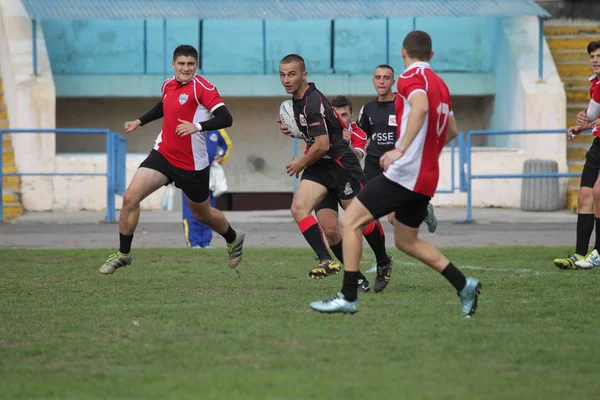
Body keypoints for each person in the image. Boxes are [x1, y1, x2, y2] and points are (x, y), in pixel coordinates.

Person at [309, 31, 481, 318]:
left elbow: (421, 108)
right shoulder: (441, 84)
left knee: (350, 222)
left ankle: (348, 296)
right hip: (427, 176)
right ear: (432, 55)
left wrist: (401, 150)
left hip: (405, 174)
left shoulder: (410, 78)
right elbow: (451, 131)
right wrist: (423, 154)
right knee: (406, 241)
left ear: (404, 53)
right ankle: (464, 285)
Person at [99, 45, 245, 274]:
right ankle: (124, 254)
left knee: (202, 213)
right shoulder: (167, 84)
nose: (186, 68)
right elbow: (164, 105)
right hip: (163, 154)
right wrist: (140, 121)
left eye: (190, 64)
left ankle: (233, 238)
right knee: (130, 198)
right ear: (173, 64)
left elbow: (227, 118)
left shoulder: (203, 88)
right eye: (181, 63)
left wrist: (196, 126)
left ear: (196, 65)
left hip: (192, 164)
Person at [278, 54, 392, 282]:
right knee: (307, 213)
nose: (286, 79)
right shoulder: (297, 102)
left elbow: (323, 144)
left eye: (292, 74)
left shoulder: (312, 103)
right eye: (282, 74)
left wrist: (301, 162)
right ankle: (334, 265)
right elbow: (319, 136)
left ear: (304, 75)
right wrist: (297, 131)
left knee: (362, 222)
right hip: (319, 166)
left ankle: (383, 260)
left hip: (341, 167)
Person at [312, 95, 391, 292]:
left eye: (345, 115)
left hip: (348, 178)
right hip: (323, 181)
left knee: (363, 223)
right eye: (336, 114)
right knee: (330, 230)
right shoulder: (321, 129)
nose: (340, 119)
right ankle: (356, 277)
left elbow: (356, 155)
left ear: (351, 116)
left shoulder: (357, 132)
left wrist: (344, 144)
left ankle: (383, 261)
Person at [358, 64, 438, 234]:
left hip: (396, 165)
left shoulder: (403, 106)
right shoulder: (367, 109)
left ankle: (421, 210)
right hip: (373, 165)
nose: (381, 82)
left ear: (393, 82)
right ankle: (382, 258)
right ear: (373, 81)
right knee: (363, 214)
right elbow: (361, 137)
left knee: (393, 218)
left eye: (386, 78)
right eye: (378, 78)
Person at [554, 40, 600, 269]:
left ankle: (598, 252)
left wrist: (590, 120)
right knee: (584, 197)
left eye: (599, 55)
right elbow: (592, 112)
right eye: (592, 56)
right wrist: (580, 125)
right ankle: (579, 255)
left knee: (599, 192)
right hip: (598, 143)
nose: (595, 59)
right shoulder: (596, 84)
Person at [182, 128, 232, 248]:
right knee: (191, 210)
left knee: (209, 211)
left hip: (209, 177)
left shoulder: (218, 129)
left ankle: (205, 242)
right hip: (190, 174)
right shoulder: (187, 126)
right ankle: (193, 242)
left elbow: (227, 145)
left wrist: (220, 157)